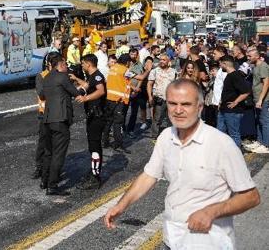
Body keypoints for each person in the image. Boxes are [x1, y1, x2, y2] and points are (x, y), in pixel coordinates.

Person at [104, 79, 260, 249]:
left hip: (209, 243)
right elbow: (149, 176)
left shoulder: (221, 144)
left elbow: (251, 197)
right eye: (172, 103)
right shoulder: (166, 136)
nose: (178, 110)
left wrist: (212, 211)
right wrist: (121, 205)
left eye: (186, 104)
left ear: (199, 107)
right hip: (172, 239)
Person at [38, 55, 81, 196]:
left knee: (48, 152)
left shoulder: (47, 77)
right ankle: (53, 185)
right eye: (65, 64)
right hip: (60, 119)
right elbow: (75, 93)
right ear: (61, 64)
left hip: (47, 119)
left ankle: (44, 181)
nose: (67, 67)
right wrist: (84, 88)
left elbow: (43, 95)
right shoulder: (63, 77)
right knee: (59, 153)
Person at [69, 53, 107, 190]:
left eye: (83, 63)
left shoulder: (97, 76)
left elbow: (101, 91)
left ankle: (96, 178)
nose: (82, 65)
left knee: (95, 146)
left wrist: (86, 98)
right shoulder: (92, 76)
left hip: (97, 116)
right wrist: (76, 79)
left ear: (89, 64)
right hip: (93, 116)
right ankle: (93, 171)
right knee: (92, 146)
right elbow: (87, 85)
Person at [32, 51, 61, 180]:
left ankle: (53, 169)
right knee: (43, 143)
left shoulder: (61, 75)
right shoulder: (41, 76)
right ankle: (40, 167)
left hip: (58, 113)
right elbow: (41, 93)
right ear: (49, 64)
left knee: (56, 144)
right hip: (44, 114)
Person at [217, 56, 251, 148]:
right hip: (224, 110)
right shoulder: (229, 75)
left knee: (234, 135)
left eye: (220, 64)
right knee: (220, 133)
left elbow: (246, 91)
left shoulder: (236, 75)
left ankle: (236, 157)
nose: (220, 66)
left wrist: (235, 102)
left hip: (233, 111)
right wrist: (221, 102)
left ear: (225, 63)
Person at [102, 53, 132, 153]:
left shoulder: (113, 68)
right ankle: (118, 143)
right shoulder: (125, 70)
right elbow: (137, 77)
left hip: (109, 98)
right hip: (118, 100)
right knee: (117, 122)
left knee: (108, 121)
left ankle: (105, 141)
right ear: (127, 62)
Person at [147, 54, 177, 139]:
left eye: (164, 60)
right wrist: (150, 96)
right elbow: (149, 84)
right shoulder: (155, 71)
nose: (161, 61)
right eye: (160, 59)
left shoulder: (173, 71)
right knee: (157, 118)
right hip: (159, 98)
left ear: (168, 61)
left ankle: (171, 136)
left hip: (171, 99)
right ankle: (154, 136)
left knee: (171, 119)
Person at [247, 48, 269, 151]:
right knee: (258, 120)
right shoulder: (255, 66)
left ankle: (266, 144)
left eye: (250, 56)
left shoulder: (263, 66)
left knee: (264, 121)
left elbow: (266, 84)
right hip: (256, 98)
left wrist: (260, 100)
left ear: (256, 56)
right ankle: (260, 142)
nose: (248, 58)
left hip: (263, 99)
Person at [126, 56, 153, 136]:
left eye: (150, 63)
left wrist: (136, 89)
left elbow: (140, 79)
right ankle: (122, 128)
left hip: (139, 91)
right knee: (125, 111)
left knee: (138, 109)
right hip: (130, 92)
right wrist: (135, 89)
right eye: (147, 62)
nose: (148, 64)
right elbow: (141, 77)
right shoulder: (126, 71)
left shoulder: (148, 69)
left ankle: (130, 129)